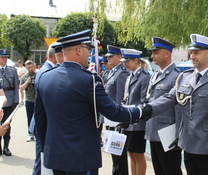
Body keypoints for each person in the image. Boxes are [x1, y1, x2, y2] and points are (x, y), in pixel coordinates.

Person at [34, 30, 147, 175]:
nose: (90, 54)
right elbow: (113, 111)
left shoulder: (45, 78)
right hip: (81, 157)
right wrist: (140, 111)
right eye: (88, 49)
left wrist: (46, 149)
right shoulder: (89, 80)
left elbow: (40, 120)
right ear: (79, 50)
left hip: (55, 155)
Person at [143, 34, 208, 175]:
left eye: (197, 53)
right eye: (191, 52)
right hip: (188, 146)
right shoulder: (185, 77)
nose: (192, 56)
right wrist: (148, 109)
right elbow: (169, 98)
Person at [144, 37, 182, 175]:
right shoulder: (155, 76)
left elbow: (178, 108)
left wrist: (178, 135)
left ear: (166, 54)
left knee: (171, 171)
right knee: (159, 170)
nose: (152, 56)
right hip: (154, 131)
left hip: (168, 134)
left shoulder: (177, 76)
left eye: (156, 52)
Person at [120, 48, 151, 175]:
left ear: (136, 60)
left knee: (138, 154)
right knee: (131, 154)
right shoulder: (129, 77)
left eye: (127, 61)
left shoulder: (144, 77)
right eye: (124, 61)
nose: (125, 64)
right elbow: (125, 98)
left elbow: (145, 100)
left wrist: (130, 110)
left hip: (138, 123)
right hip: (129, 121)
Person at [104, 45, 130, 175]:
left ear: (120, 57)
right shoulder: (112, 72)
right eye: (108, 56)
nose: (108, 58)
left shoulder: (121, 73)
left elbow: (121, 99)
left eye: (111, 56)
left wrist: (120, 120)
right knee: (114, 154)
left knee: (119, 156)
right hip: (110, 119)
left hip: (116, 121)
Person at [31, 43, 57, 175]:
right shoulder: (47, 71)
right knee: (41, 164)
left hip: (42, 123)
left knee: (41, 163)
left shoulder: (46, 69)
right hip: (43, 124)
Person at [0, 49, 19, 156]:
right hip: (0, 102)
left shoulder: (12, 70)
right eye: (2, 57)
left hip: (10, 101)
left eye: (6, 57)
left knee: (7, 125)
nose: (4, 59)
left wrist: (16, 101)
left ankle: (6, 147)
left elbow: (16, 86)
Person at [20, 60, 37, 142]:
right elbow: (21, 89)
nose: (30, 69)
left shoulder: (38, 75)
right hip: (29, 100)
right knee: (30, 117)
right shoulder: (24, 77)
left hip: (38, 99)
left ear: (34, 66)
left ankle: (38, 133)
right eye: (29, 67)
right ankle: (30, 134)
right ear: (26, 68)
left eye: (31, 67)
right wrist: (27, 82)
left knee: (39, 117)